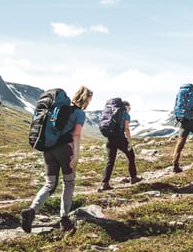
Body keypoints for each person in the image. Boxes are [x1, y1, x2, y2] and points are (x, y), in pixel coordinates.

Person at [21, 85, 93, 233]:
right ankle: (64, 218)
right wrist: (76, 155)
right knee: (69, 182)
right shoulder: (79, 113)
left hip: (48, 149)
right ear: (86, 100)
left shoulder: (57, 109)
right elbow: (77, 134)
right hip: (65, 150)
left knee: (50, 184)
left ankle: (31, 211)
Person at [100, 100, 141, 191]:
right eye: (129, 108)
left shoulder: (113, 114)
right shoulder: (125, 114)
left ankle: (105, 183)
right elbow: (126, 128)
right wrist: (129, 141)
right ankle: (133, 177)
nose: (129, 110)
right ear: (126, 107)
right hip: (120, 138)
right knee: (131, 155)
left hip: (110, 139)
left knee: (110, 160)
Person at [173, 81, 193, 173]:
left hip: (183, 121)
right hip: (192, 122)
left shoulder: (182, 93)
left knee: (180, 143)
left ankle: (175, 165)